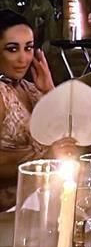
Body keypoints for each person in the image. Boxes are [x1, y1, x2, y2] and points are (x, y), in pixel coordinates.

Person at [0, 11, 74, 209]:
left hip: (49, 195)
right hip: (13, 207)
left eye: (29, 48)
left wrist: (49, 90)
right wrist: (44, 159)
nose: (23, 58)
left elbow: (69, 132)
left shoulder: (30, 88)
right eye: (12, 49)